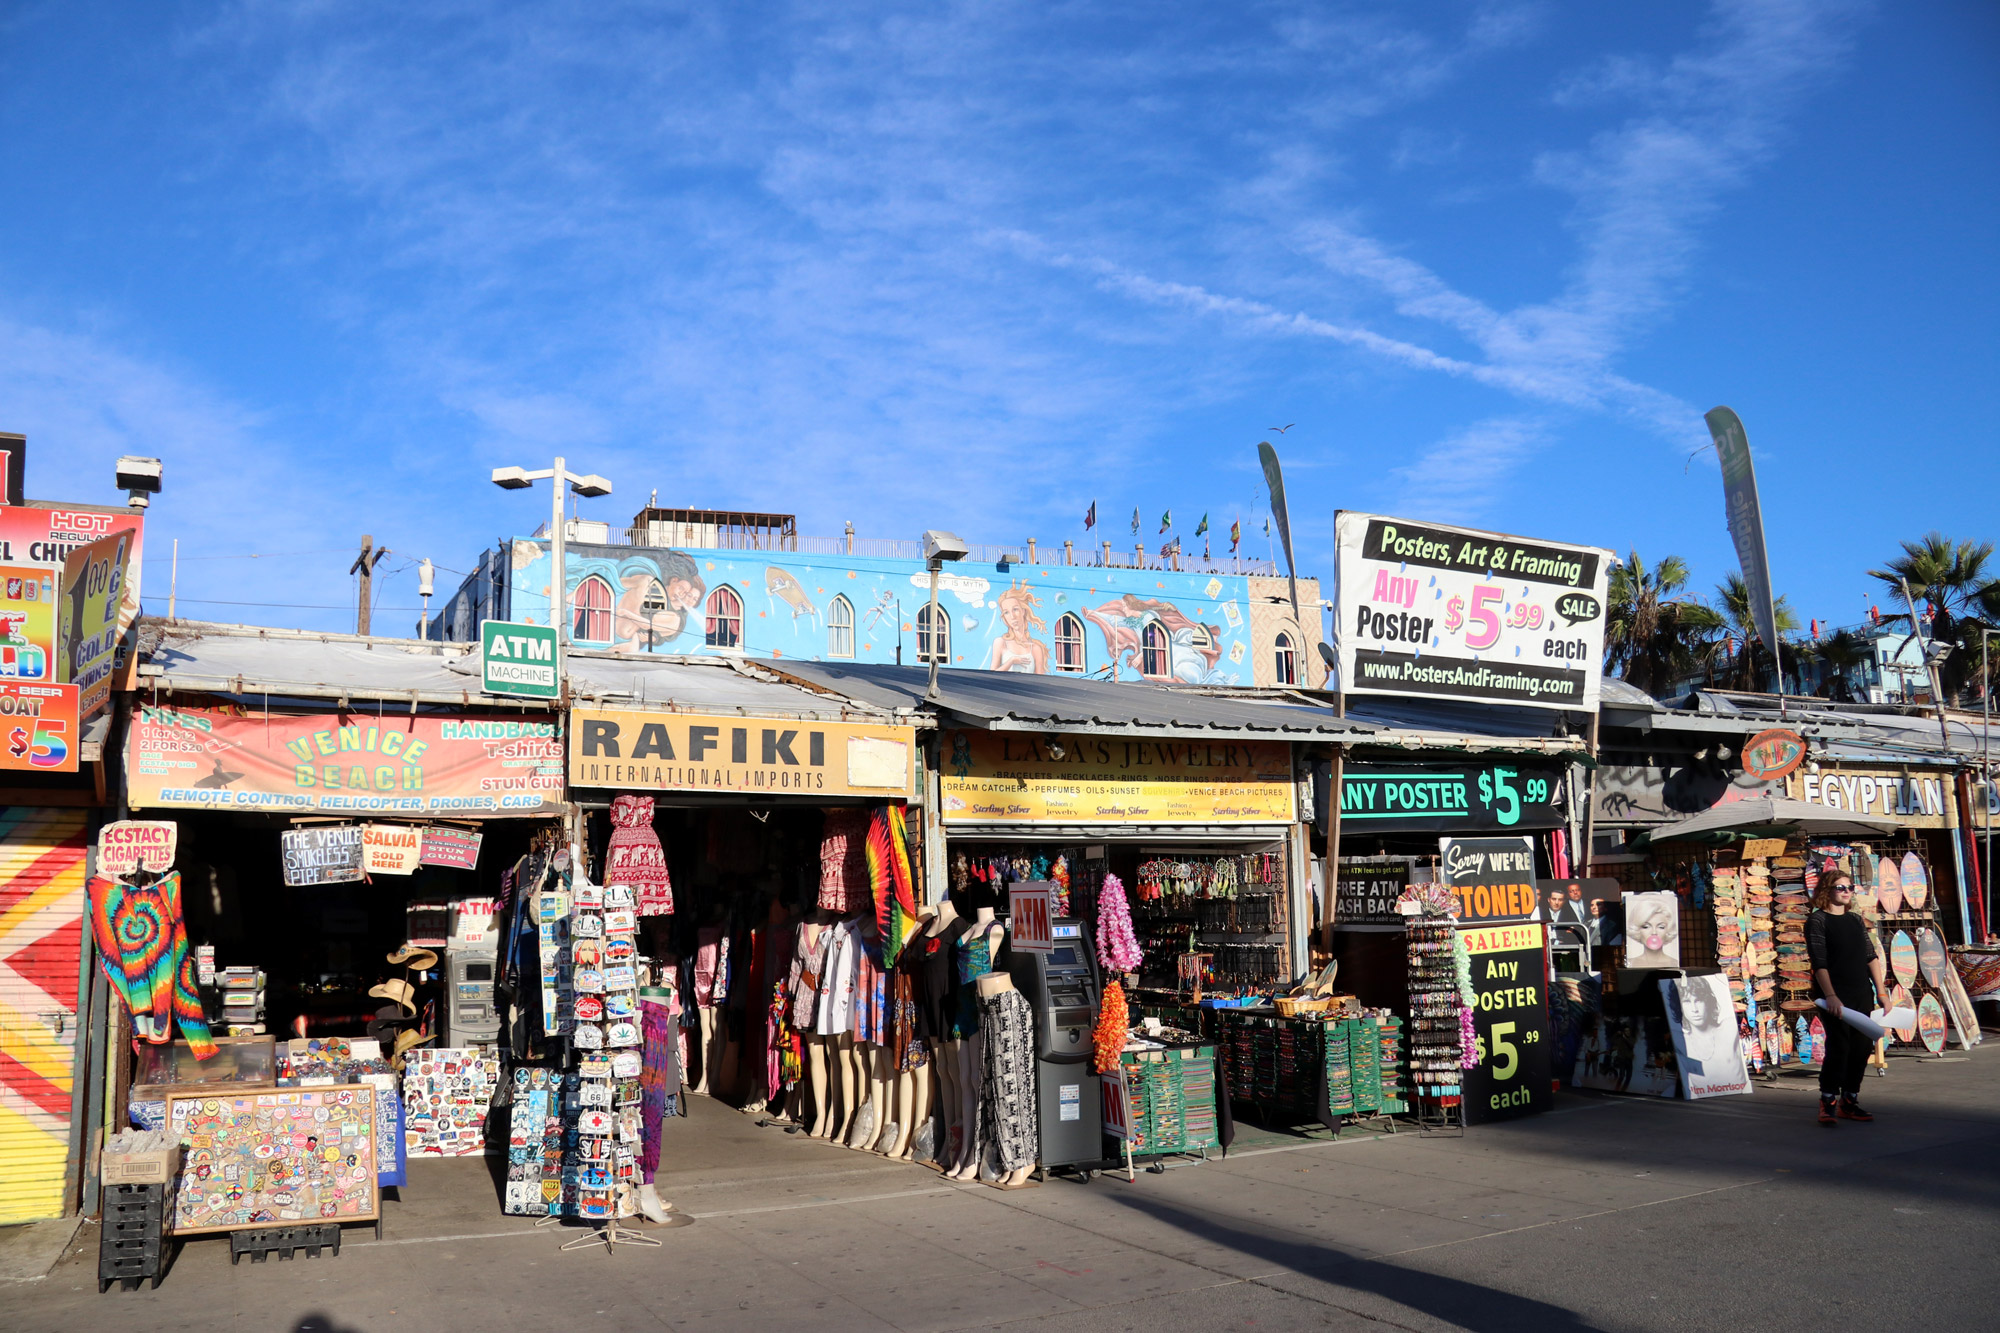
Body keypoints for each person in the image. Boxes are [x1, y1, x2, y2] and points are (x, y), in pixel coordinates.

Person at [1806, 873, 1889, 1126]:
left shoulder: (1855, 920)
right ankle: (1828, 1100)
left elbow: (1870, 956)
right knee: (1840, 1047)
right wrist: (1830, 995)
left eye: (1849, 887)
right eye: (1840, 887)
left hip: (1861, 992)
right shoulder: (1817, 920)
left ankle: (1850, 1101)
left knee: (1862, 1047)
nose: (1846, 891)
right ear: (1827, 890)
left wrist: (1882, 992)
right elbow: (1819, 961)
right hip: (1834, 994)